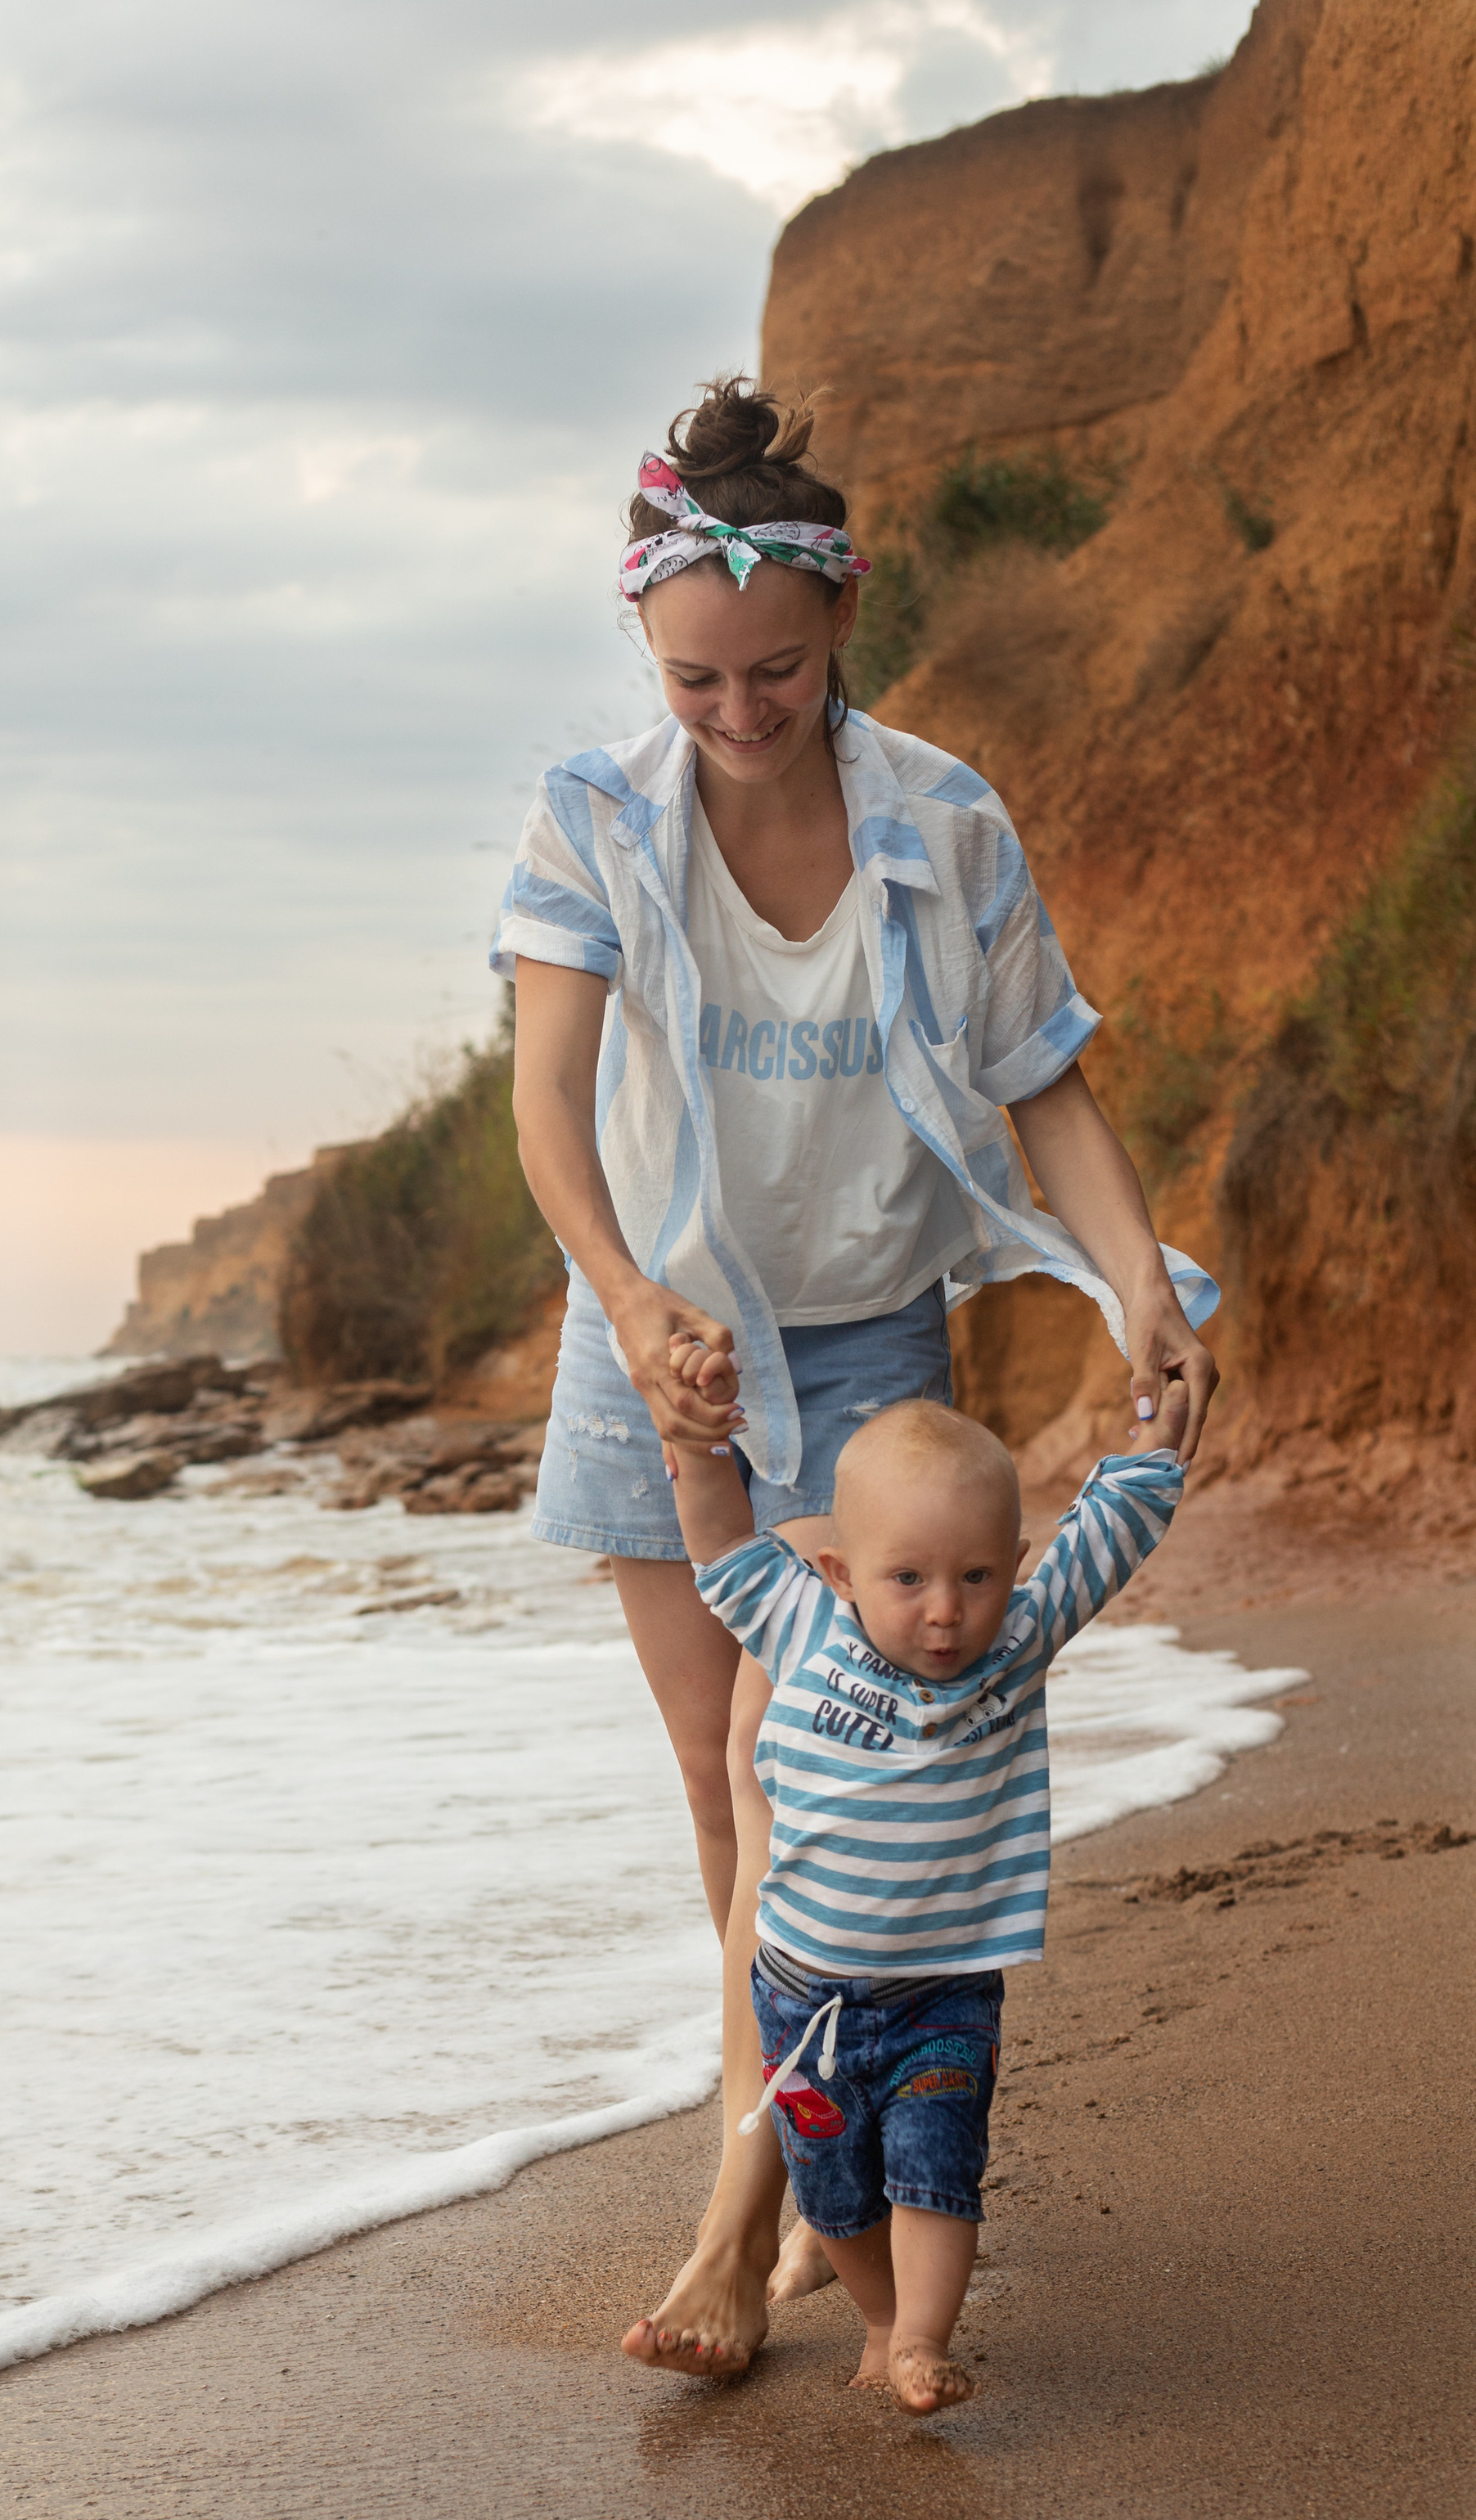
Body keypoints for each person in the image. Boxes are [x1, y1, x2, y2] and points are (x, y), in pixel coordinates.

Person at [496, 376, 1219, 2378]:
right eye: (694, 680)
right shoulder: (590, 814)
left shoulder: (939, 816)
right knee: (726, 1798)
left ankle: (736, 2228)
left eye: (776, 673)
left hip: (872, 1334)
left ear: (843, 618)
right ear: (643, 647)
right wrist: (634, 1303)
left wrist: (1131, 1279)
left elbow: (1042, 1083)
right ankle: (798, 2176)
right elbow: (549, 1112)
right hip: (659, 1336)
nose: (736, 716)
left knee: (795, 1770)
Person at [662, 1359, 1189, 2410]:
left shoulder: (1018, 1644)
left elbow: (1112, 1532)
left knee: (936, 2171)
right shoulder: (800, 1626)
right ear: (841, 1572)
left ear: (1014, 1569)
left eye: (976, 1579)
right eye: (907, 1580)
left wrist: (1158, 1442)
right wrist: (694, 1443)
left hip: (943, 1998)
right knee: (837, 2196)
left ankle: (921, 2342)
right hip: (801, 2004)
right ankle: (874, 2317)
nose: (945, 1612)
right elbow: (720, 1546)